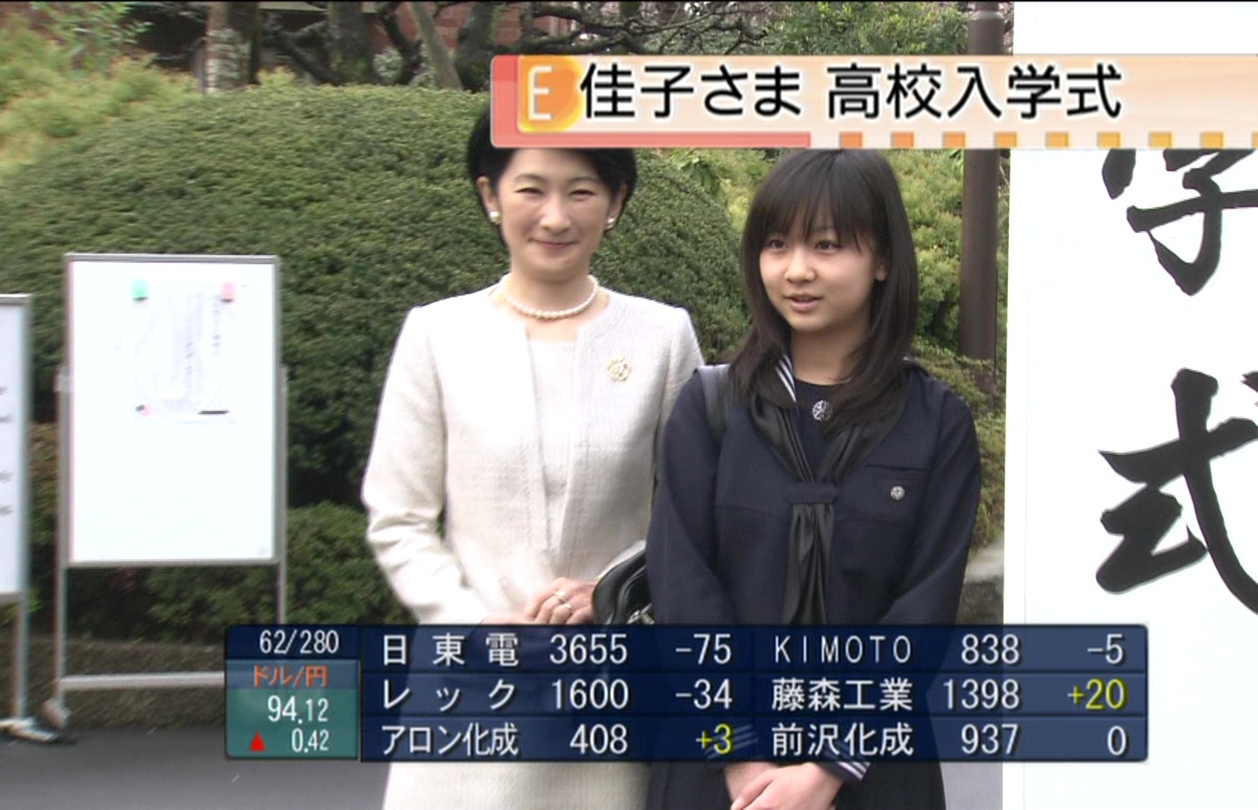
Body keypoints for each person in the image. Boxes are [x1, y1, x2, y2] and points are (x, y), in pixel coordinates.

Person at [360, 109, 704, 810]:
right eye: (531, 189)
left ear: (616, 201)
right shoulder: (436, 335)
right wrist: (472, 625)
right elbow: (398, 519)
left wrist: (612, 590)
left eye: (581, 191)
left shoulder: (663, 337)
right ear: (491, 194)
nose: (554, 216)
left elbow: (697, 513)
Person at [644, 149, 983, 810]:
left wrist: (828, 768)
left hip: (876, 770)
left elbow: (923, 610)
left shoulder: (936, 423)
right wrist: (742, 756)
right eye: (776, 245)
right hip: (718, 771)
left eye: (826, 245)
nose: (796, 269)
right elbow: (683, 585)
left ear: (882, 259)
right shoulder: (712, 409)